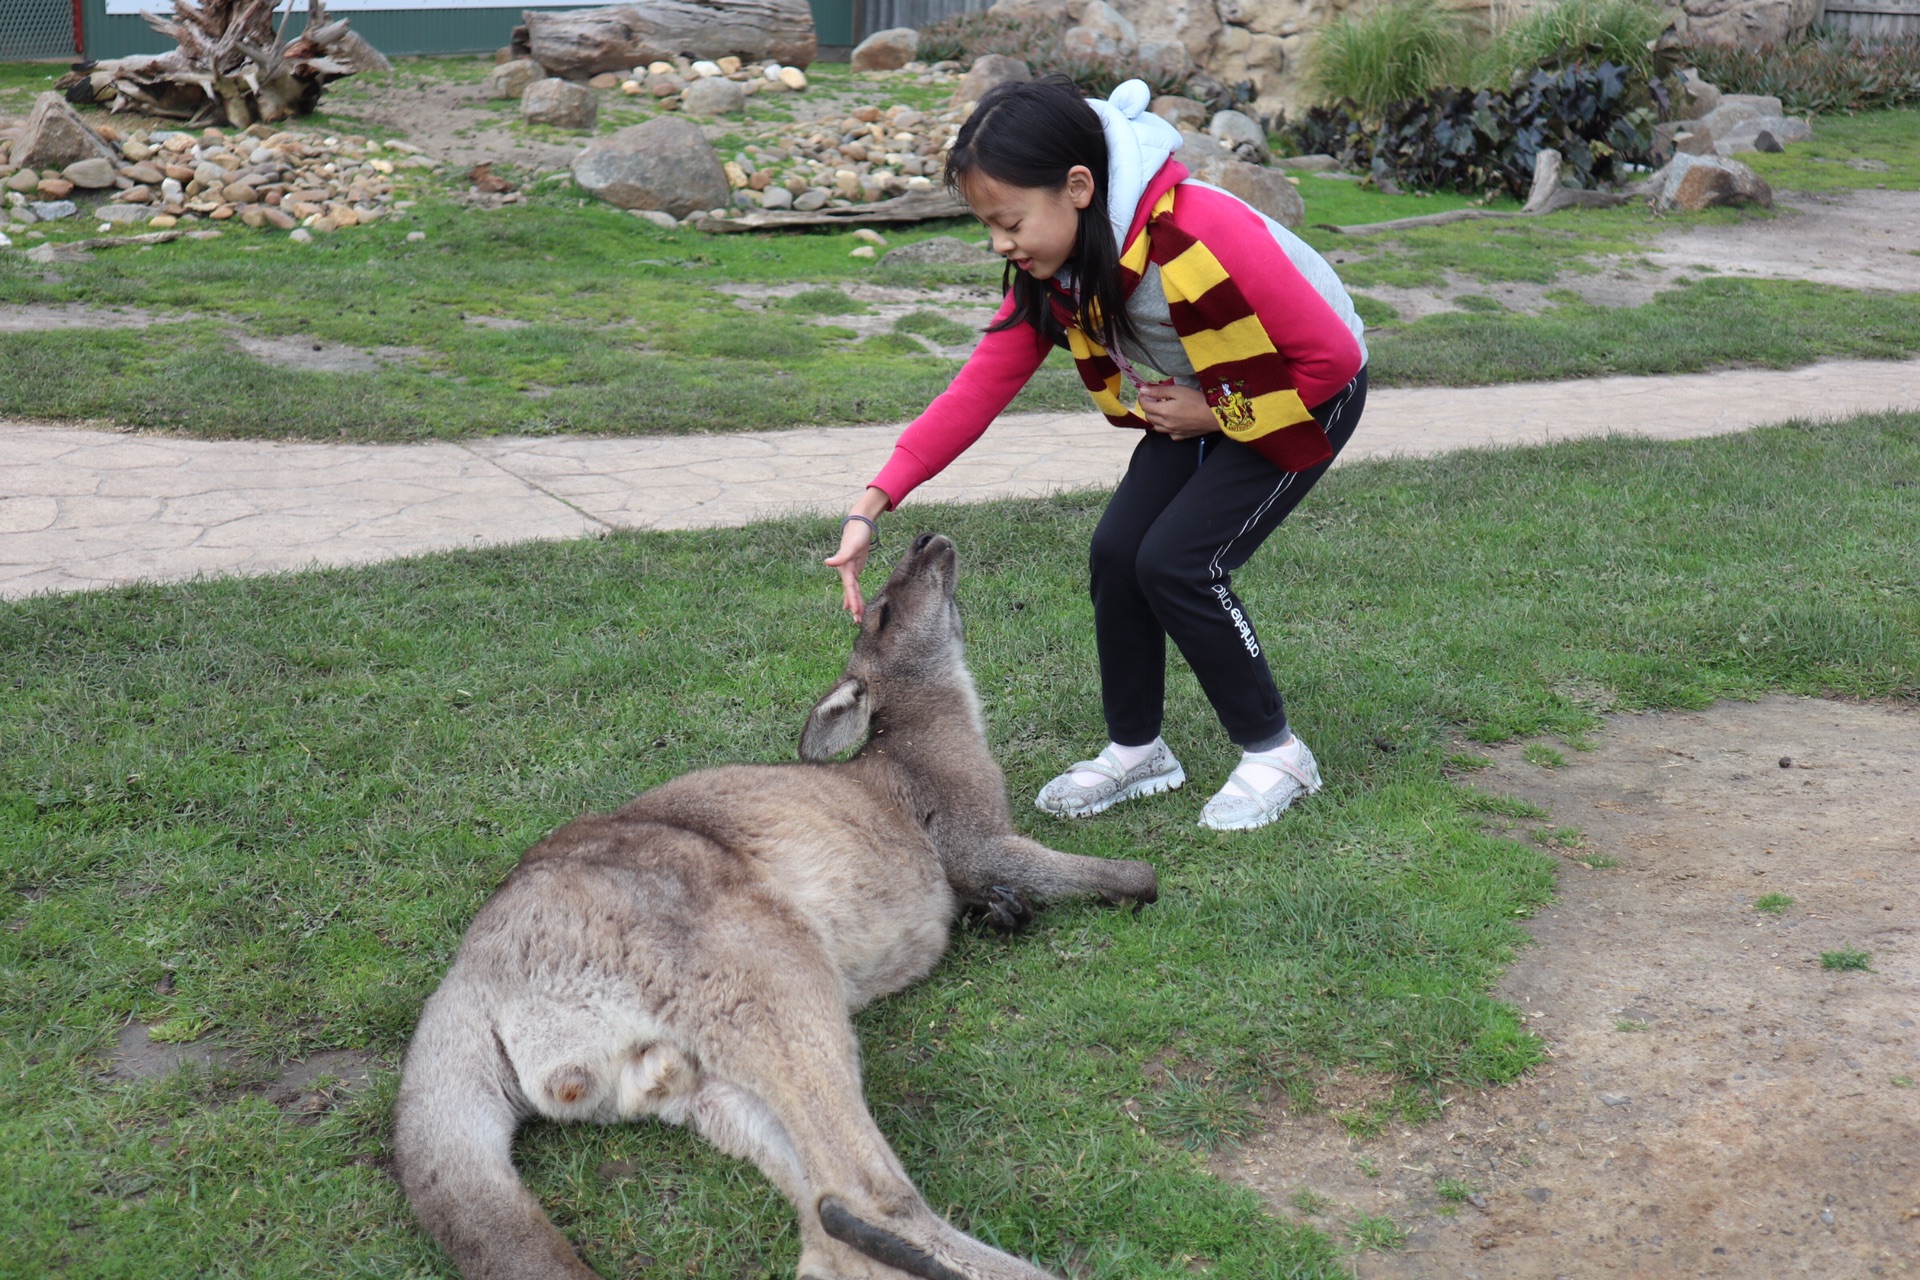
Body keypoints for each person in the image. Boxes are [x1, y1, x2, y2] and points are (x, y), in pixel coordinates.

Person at [826, 75, 1369, 832]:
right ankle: (1139, 749)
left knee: (1180, 562)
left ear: (1078, 186)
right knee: (1119, 552)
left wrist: (1214, 414)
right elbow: (977, 389)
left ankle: (1275, 751)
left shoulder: (1199, 233)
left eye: (1009, 220)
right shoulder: (1058, 274)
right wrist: (873, 501)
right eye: (988, 226)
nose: (1000, 243)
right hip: (1199, 396)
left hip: (1302, 392)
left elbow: (1332, 361)